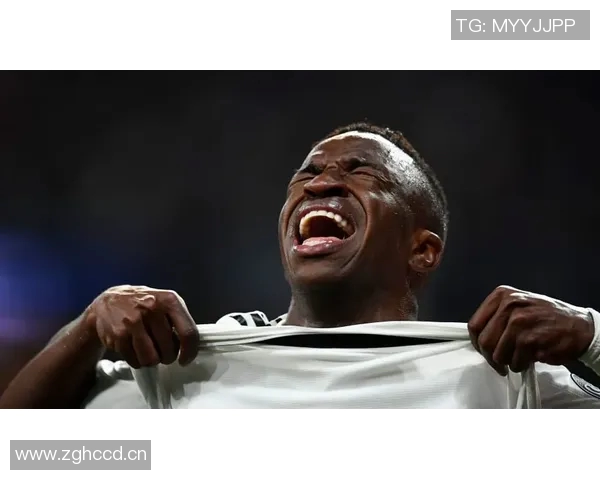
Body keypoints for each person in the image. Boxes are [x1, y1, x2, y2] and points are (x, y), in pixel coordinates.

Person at [1, 122, 599, 408]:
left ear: (423, 249)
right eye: (306, 174)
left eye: (362, 172)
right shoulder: (188, 368)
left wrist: (590, 335)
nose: (321, 183)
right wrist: (88, 325)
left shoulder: (501, 378)